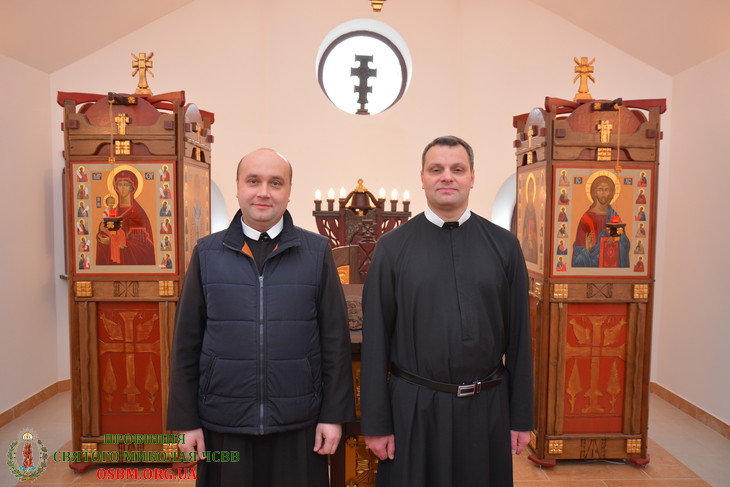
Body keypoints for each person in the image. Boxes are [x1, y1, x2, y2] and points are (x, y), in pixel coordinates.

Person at [167, 148, 355, 487]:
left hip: (299, 422)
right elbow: (185, 344)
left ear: (289, 190)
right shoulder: (207, 254)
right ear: (238, 187)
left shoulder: (316, 252)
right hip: (224, 421)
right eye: (253, 181)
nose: (264, 192)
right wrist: (185, 421)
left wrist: (333, 416)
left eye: (275, 183)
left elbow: (335, 341)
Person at [360, 136, 534, 486]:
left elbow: (519, 338)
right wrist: (377, 424)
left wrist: (520, 417)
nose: (447, 177)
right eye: (436, 169)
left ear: (472, 177)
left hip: (486, 408)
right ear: (422, 178)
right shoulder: (392, 248)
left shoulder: (504, 245)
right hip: (414, 409)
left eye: (457, 169)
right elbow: (376, 341)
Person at [96, 170, 155, 266]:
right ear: (116, 187)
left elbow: (145, 246)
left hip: (132, 263)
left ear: (132, 188)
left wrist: (112, 242)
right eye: (120, 184)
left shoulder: (138, 213)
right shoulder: (113, 210)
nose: (122, 188)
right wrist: (101, 229)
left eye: (126, 185)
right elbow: (105, 231)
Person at [571, 174, 630, 268]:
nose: (603, 193)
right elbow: (578, 255)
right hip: (592, 266)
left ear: (611, 193)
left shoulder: (613, 215)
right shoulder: (586, 218)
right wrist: (587, 250)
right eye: (600, 189)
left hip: (611, 265)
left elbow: (624, 243)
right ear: (594, 193)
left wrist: (617, 240)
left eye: (606, 190)